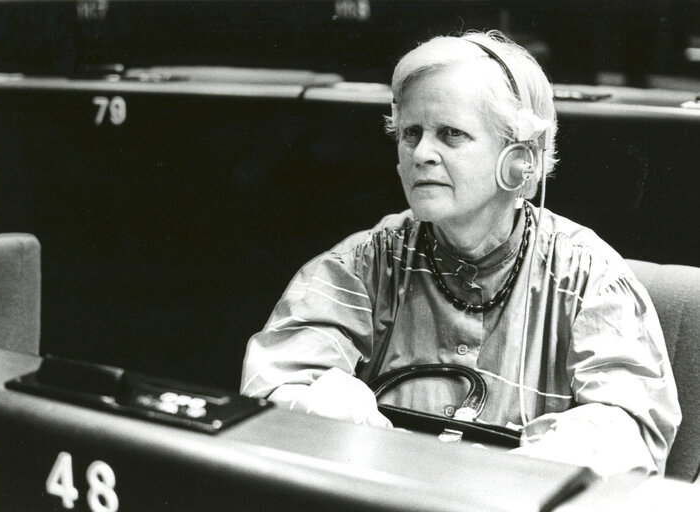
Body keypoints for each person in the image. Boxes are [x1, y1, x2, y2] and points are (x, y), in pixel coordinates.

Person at [240, 30, 681, 477]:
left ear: (519, 159)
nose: (421, 154)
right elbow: (278, 385)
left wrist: (502, 482)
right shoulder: (361, 264)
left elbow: (630, 428)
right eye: (411, 133)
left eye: (451, 134)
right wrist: (362, 433)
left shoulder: (589, 278)